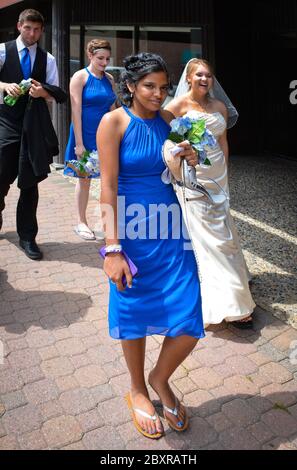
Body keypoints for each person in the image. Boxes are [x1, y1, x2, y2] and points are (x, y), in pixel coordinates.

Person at [97, 53, 205, 439]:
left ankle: (161, 379)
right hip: (131, 232)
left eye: (163, 87)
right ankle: (137, 388)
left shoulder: (170, 121)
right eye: (149, 86)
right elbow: (106, 186)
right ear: (130, 86)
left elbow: (181, 170)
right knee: (133, 312)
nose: (158, 94)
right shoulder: (113, 123)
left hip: (172, 229)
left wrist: (190, 157)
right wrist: (112, 250)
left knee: (190, 314)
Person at [166, 59, 256, 328]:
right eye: (200, 75)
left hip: (218, 175)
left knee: (224, 230)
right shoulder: (176, 106)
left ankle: (233, 282)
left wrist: (225, 172)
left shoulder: (219, 107)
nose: (205, 79)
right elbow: (168, 143)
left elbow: (222, 141)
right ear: (190, 78)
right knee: (210, 238)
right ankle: (233, 305)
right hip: (194, 176)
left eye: (209, 75)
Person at [0, 9, 60, 260]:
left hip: (33, 127)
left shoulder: (48, 59)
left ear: (42, 31)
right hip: (5, 123)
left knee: (30, 183)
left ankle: (28, 237)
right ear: (19, 26)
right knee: (1, 177)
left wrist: (42, 92)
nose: (32, 34)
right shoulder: (2, 51)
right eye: (28, 29)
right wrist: (3, 85)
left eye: (36, 30)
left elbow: (56, 93)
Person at [64, 39, 116, 240]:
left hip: (105, 135)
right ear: (90, 55)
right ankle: (81, 222)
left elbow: (112, 108)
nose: (104, 63)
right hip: (84, 134)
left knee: (109, 179)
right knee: (84, 179)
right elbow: (75, 111)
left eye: (107, 59)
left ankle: (108, 224)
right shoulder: (79, 77)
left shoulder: (110, 79)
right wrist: (79, 143)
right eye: (100, 58)